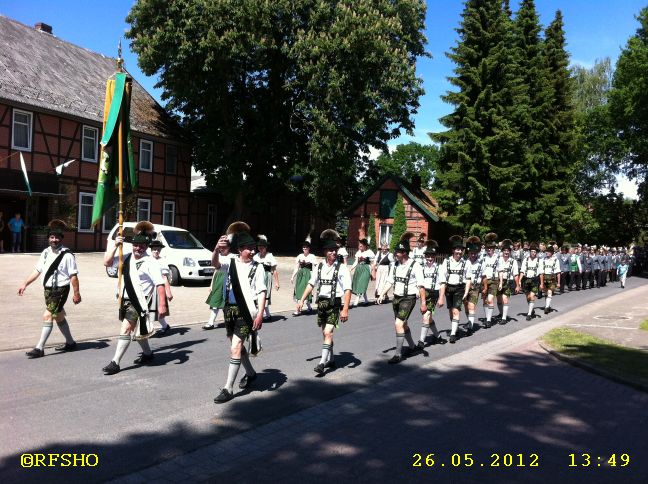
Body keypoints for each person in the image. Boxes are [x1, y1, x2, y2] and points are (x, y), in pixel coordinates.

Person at [102, 221, 167, 375]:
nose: (138, 248)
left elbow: (160, 284)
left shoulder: (151, 262)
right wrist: (114, 246)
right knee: (137, 331)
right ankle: (148, 354)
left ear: (147, 247)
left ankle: (115, 362)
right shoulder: (126, 257)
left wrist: (162, 305)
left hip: (140, 301)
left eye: (142, 246)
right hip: (125, 300)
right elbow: (106, 262)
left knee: (126, 328)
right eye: (136, 245)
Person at [213, 222, 267, 403]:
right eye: (249, 249)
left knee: (235, 347)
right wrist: (216, 249)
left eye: (254, 248)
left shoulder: (258, 267)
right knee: (236, 346)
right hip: (229, 310)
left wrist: (260, 314)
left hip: (246, 312)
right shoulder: (231, 261)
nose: (252, 252)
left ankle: (228, 388)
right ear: (240, 249)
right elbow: (215, 263)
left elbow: (261, 292)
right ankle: (251, 373)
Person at [18, 220, 81, 358]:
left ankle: (39, 348)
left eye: (57, 237)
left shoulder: (67, 254)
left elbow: (73, 276)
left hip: (61, 290)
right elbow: (37, 270)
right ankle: (70, 343)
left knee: (47, 315)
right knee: (58, 316)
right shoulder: (45, 252)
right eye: (52, 237)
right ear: (48, 238)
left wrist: (76, 293)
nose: (54, 240)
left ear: (61, 238)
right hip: (48, 290)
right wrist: (25, 284)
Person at [297, 229, 352, 375]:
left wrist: (345, 309)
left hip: (334, 304)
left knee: (328, 332)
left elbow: (347, 290)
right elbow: (311, 284)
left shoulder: (342, 268)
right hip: (321, 304)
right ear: (325, 252)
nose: (334, 253)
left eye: (335, 250)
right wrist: (301, 300)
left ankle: (322, 363)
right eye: (331, 250)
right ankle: (332, 358)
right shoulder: (319, 266)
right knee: (325, 334)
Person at [377, 232, 426, 363]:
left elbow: (421, 286)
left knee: (398, 323)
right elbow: (389, 281)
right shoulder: (395, 265)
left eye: (398, 251)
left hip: (409, 298)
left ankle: (398, 354)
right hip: (396, 298)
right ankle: (412, 346)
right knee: (403, 324)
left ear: (404, 253)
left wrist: (423, 303)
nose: (395, 253)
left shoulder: (415, 265)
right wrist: (382, 294)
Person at [437, 235, 472, 344]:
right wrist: (441, 297)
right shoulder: (446, 262)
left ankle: (453, 334)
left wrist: (466, 292)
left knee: (456, 310)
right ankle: (455, 328)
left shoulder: (466, 262)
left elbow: (468, 279)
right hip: (448, 288)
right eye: (457, 249)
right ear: (453, 250)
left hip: (459, 288)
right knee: (451, 311)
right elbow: (442, 281)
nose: (459, 251)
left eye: (461, 250)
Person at [417, 240, 446, 348]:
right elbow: (418, 282)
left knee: (426, 315)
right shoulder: (421, 267)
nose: (429, 259)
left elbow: (442, 284)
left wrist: (441, 298)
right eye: (427, 256)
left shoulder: (439, 267)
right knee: (428, 318)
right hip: (424, 293)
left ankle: (421, 342)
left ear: (434, 257)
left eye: (431, 256)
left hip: (434, 294)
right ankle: (437, 336)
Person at [203, 238, 235, 330]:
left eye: (224, 247)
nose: (222, 249)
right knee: (215, 301)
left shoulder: (233, 257)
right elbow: (215, 269)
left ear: (229, 247)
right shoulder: (218, 255)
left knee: (229, 302)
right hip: (218, 280)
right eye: (220, 247)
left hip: (229, 280)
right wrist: (211, 284)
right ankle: (210, 322)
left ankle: (231, 321)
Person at [253, 235, 280, 321]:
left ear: (266, 247)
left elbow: (274, 270)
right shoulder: (256, 256)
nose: (260, 248)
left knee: (264, 294)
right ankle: (267, 315)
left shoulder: (269, 256)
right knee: (257, 294)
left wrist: (277, 282)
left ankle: (258, 315)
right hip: (257, 276)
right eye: (259, 246)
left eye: (262, 247)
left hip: (266, 276)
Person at [149, 240, 173, 335]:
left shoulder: (162, 261)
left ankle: (153, 329)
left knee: (157, 310)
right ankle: (165, 326)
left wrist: (168, 292)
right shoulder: (148, 260)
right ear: (151, 250)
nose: (156, 251)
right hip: (148, 288)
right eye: (154, 249)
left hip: (158, 289)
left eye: (158, 250)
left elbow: (164, 277)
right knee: (148, 311)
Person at [291, 239, 316, 316]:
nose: (304, 249)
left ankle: (298, 310)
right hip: (300, 275)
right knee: (299, 291)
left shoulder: (312, 256)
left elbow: (315, 268)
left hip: (308, 275)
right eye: (303, 247)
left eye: (306, 247)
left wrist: (313, 277)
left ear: (309, 248)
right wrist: (292, 276)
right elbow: (296, 268)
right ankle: (308, 307)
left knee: (306, 291)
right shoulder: (300, 256)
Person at [497, 239, 520, 324]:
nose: (506, 252)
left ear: (510, 252)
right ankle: (501, 313)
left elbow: (516, 275)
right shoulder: (498, 260)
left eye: (508, 251)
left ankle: (504, 318)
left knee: (505, 299)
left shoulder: (513, 262)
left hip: (508, 282)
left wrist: (517, 285)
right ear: (502, 251)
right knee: (499, 300)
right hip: (499, 281)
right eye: (505, 250)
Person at [480, 233, 500, 328]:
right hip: (484, 280)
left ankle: (488, 320)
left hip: (494, 280)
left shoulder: (498, 257)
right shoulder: (482, 256)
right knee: (484, 300)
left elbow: (501, 271)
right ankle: (487, 316)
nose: (490, 249)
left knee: (490, 299)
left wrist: (501, 282)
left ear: (494, 248)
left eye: (491, 248)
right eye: (488, 248)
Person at [463, 236, 482, 335]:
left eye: (475, 253)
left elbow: (484, 276)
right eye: (471, 253)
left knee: (471, 306)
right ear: (468, 253)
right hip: (465, 286)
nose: (473, 255)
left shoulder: (481, 263)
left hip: (475, 287)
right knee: (466, 306)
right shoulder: (464, 262)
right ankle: (469, 321)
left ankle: (470, 327)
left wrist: (485, 288)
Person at [349, 238, 375, 307]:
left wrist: (372, 272)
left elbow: (373, 263)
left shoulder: (370, 252)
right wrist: (351, 269)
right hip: (359, 269)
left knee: (362, 284)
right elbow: (356, 262)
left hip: (366, 269)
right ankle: (366, 300)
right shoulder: (358, 252)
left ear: (365, 245)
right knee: (360, 285)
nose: (359, 246)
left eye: (361, 245)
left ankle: (356, 302)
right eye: (359, 245)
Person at [520, 242, 541, 321]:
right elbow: (522, 271)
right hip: (526, 279)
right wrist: (519, 281)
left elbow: (541, 273)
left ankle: (529, 314)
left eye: (535, 252)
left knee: (532, 296)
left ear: (536, 253)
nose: (533, 253)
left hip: (535, 280)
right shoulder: (525, 260)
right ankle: (531, 310)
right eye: (532, 251)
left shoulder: (539, 260)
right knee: (528, 297)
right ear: (530, 252)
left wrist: (541, 283)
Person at [539, 243, 561, 314]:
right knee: (545, 293)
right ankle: (547, 305)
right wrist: (541, 282)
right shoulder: (542, 260)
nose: (547, 253)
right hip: (544, 276)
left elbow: (558, 272)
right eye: (546, 251)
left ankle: (547, 307)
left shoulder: (555, 260)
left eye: (548, 252)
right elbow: (541, 272)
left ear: (552, 253)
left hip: (552, 277)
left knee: (549, 292)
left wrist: (558, 282)